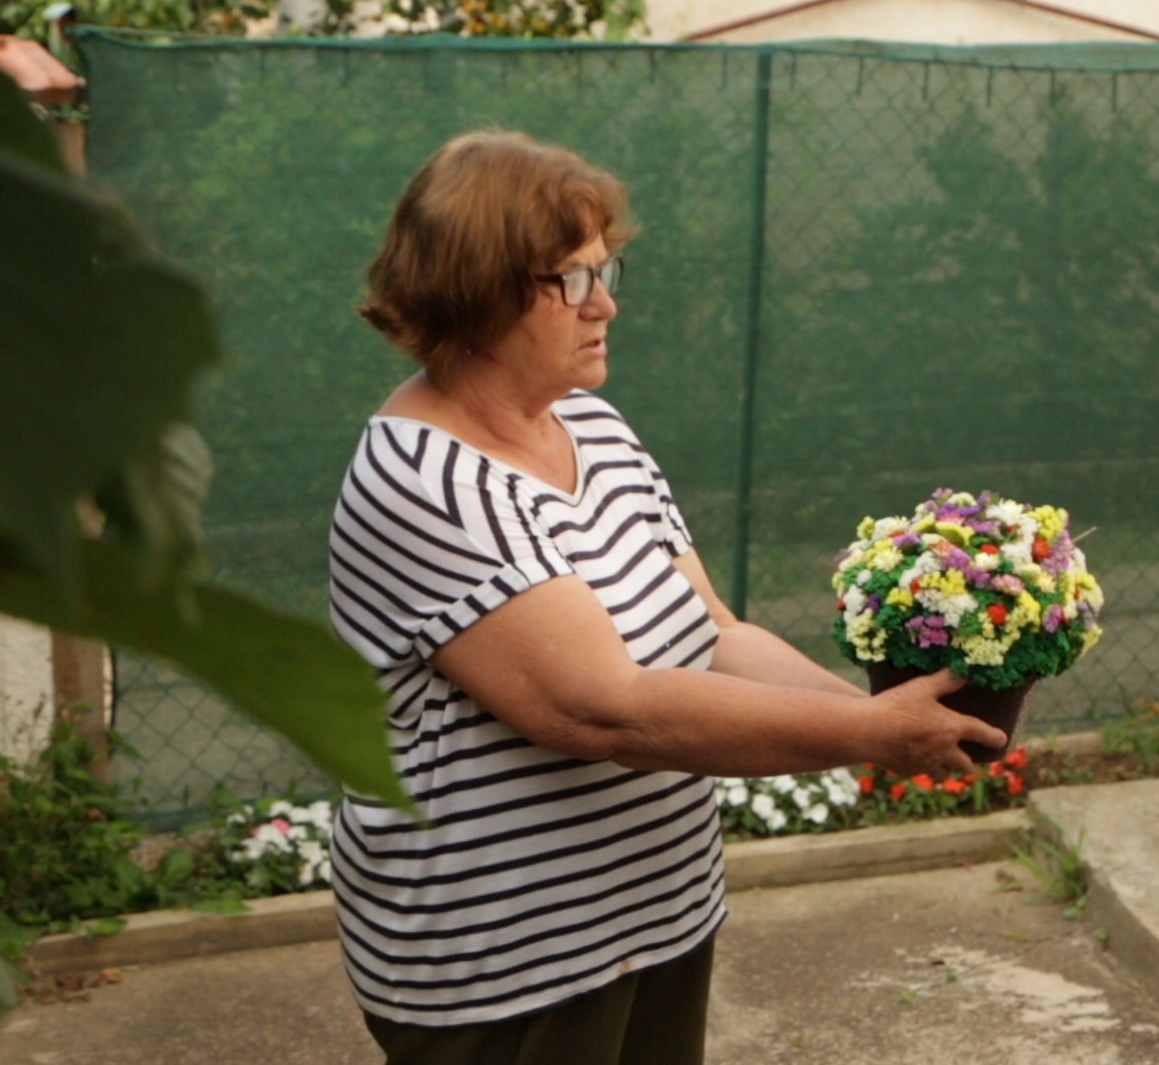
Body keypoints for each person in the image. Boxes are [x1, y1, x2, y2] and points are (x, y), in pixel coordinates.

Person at [329, 129, 1004, 1065]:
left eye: (607, 269)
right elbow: (604, 711)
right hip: (508, 970)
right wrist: (866, 739)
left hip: (658, 917)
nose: (604, 302)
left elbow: (713, 636)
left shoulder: (592, 425)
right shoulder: (425, 480)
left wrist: (885, 720)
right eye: (570, 279)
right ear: (476, 293)